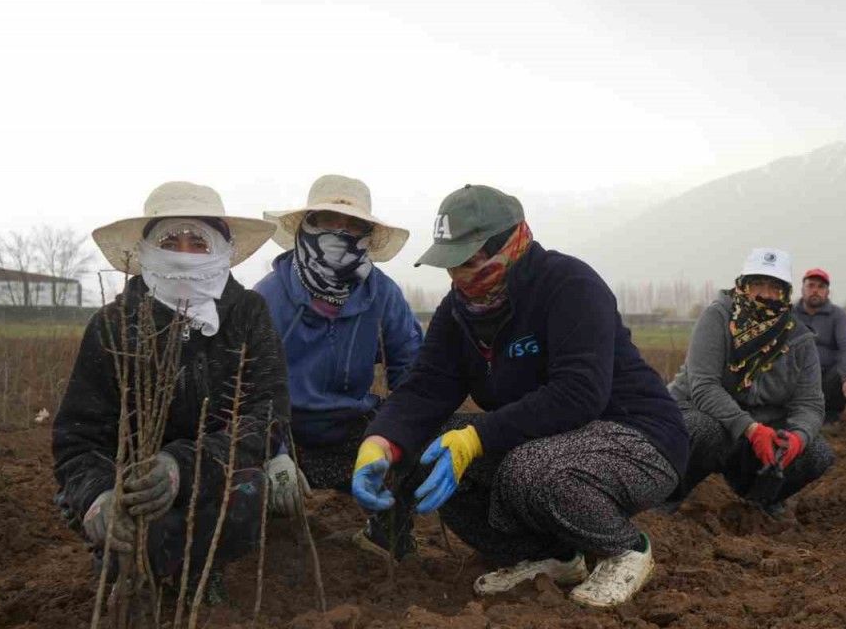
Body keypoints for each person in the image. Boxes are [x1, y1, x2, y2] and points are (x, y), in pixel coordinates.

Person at [349, 185, 688, 608]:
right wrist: (381, 441)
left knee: (526, 469)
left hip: (637, 437)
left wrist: (478, 437)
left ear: (511, 243)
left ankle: (626, 549)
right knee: (427, 446)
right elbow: (425, 387)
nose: (459, 276)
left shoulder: (569, 285)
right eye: (451, 264)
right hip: (549, 441)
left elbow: (579, 393)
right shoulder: (458, 312)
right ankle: (550, 556)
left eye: (468, 261)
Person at [53, 181, 287, 600]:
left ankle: (201, 570)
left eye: (198, 242)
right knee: (131, 528)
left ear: (221, 250)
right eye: (169, 242)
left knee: (249, 493)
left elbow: (266, 416)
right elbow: (77, 438)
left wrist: (182, 466)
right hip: (133, 487)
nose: (183, 254)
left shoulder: (248, 315)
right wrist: (98, 495)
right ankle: (131, 563)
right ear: (146, 250)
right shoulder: (112, 326)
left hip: (215, 479)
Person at [254, 175, 423, 554]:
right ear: (307, 225)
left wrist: (393, 437)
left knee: (425, 433)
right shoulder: (267, 298)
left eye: (353, 225)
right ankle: (267, 530)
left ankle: (388, 534)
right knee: (236, 471)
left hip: (352, 431)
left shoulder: (383, 295)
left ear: (367, 234)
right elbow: (246, 388)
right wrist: (272, 452)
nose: (340, 233)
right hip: (282, 435)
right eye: (328, 221)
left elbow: (413, 376)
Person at [667, 249, 835, 517]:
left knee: (817, 452)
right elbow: (704, 387)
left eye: (775, 287)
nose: (765, 295)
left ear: (785, 293)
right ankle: (667, 496)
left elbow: (810, 404)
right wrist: (750, 428)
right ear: (743, 285)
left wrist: (796, 438)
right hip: (703, 416)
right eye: (758, 284)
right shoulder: (718, 317)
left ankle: (760, 502)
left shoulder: (800, 339)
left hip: (761, 434)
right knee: (704, 429)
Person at [791, 267, 846, 427]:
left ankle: (830, 416)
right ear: (802, 289)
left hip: (826, 379)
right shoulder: (790, 314)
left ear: (827, 292)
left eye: (821, 287)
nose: (815, 290)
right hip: (796, 375)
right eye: (811, 285)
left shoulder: (838, 315)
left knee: (842, 372)